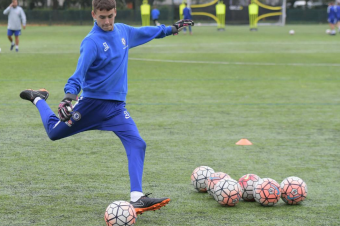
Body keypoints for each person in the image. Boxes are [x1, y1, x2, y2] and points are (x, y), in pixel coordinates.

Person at [19, 0, 193, 216]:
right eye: (102, 17)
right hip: (91, 106)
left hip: (117, 108)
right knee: (54, 133)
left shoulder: (123, 31)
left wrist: (170, 29)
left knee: (138, 143)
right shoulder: (91, 42)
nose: (107, 21)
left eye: (110, 16)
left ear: (115, 12)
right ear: (94, 14)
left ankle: (137, 197)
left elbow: (146, 32)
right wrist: (67, 98)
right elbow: (78, 74)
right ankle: (38, 99)